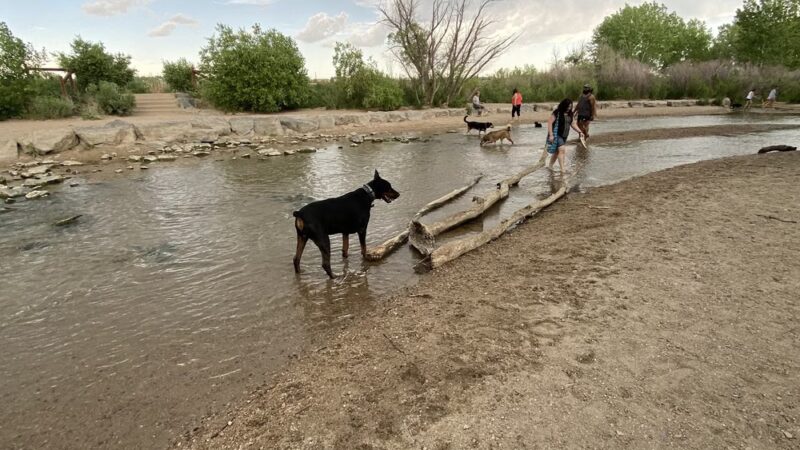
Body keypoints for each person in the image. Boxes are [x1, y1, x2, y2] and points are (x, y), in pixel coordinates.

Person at [546, 98, 583, 173]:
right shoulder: (557, 112)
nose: (569, 108)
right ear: (564, 106)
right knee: (562, 150)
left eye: (570, 107)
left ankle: (550, 165)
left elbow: (573, 124)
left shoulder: (570, 113)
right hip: (556, 135)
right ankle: (563, 170)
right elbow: (550, 122)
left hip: (564, 136)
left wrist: (580, 131)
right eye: (568, 106)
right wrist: (551, 135)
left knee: (557, 152)